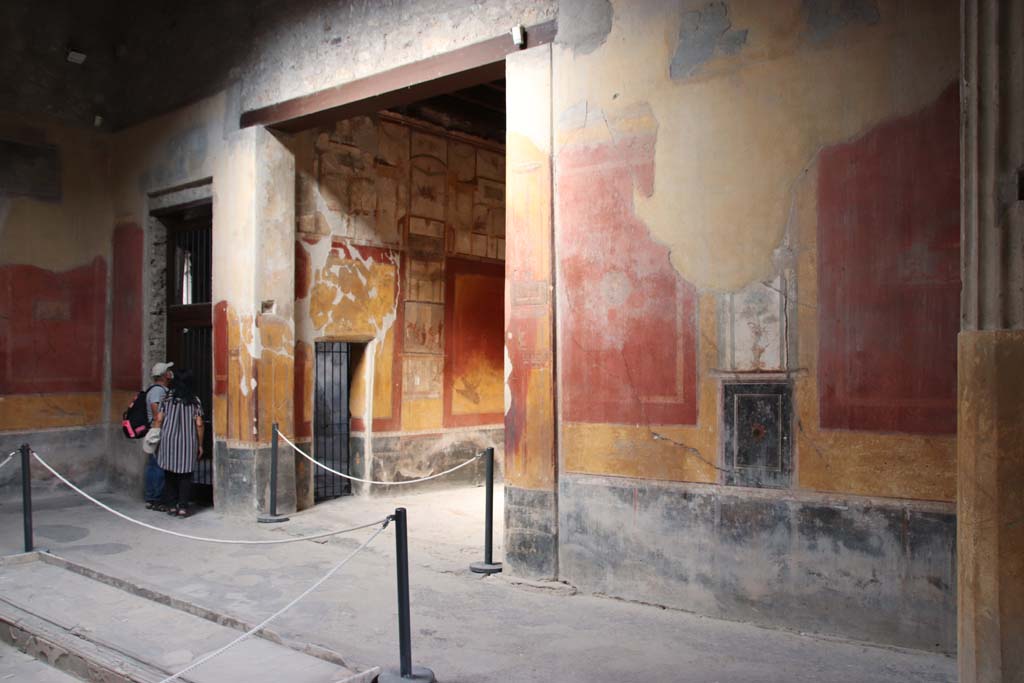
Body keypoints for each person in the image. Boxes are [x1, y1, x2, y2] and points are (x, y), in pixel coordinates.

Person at [152, 368, 203, 518]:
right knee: (185, 475)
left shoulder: (167, 399)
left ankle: (171, 505)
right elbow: (199, 423)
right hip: (188, 441)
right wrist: (200, 444)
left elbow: (159, 419)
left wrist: (154, 436)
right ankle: (183, 507)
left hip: (168, 440)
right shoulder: (195, 401)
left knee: (169, 474)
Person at [143, 362, 173, 509]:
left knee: (154, 465)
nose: (171, 373)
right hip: (157, 430)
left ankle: (152, 497)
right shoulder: (158, 391)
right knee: (159, 466)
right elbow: (157, 413)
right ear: (164, 374)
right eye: (169, 370)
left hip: (156, 429)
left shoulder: (159, 390)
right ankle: (156, 498)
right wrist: (158, 431)